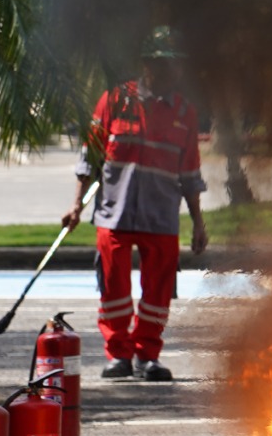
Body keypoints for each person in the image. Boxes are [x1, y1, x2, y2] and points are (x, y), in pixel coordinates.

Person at [63, 29, 208, 382]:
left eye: (173, 65)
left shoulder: (184, 113)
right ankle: (119, 355)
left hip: (162, 216)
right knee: (114, 287)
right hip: (116, 212)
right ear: (146, 63)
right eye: (161, 63)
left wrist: (199, 223)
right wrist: (76, 206)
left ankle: (147, 355)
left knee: (157, 292)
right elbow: (90, 157)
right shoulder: (113, 101)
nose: (168, 71)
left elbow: (189, 172)